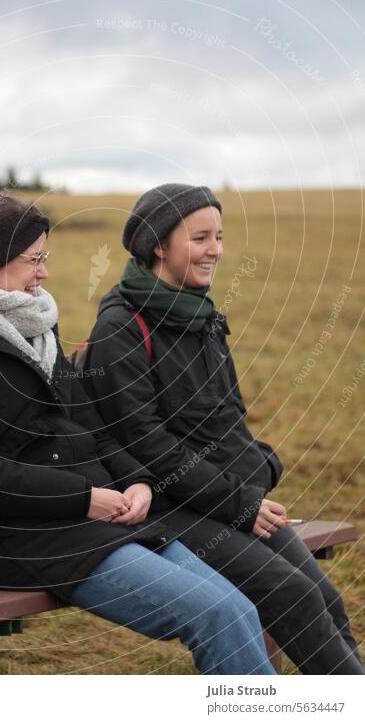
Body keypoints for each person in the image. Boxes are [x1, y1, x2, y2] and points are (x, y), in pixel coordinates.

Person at [0, 192, 275, 676]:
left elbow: (90, 426)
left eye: (44, 259)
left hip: (98, 523)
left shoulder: (32, 330)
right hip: (28, 540)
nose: (44, 273)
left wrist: (134, 482)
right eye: (33, 260)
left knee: (238, 607)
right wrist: (83, 497)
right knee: (218, 616)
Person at [81, 183, 364, 676]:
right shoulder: (121, 328)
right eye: (199, 237)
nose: (214, 249)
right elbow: (148, 446)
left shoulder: (203, 316)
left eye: (219, 236)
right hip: (166, 508)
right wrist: (240, 503)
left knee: (323, 596)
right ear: (158, 245)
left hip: (222, 497)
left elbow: (227, 418)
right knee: (290, 592)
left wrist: (261, 466)